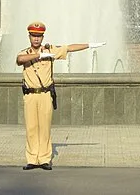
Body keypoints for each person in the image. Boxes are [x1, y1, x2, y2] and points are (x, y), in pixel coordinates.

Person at [15, 21, 105, 170]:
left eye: (39, 36)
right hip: (30, 95)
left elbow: (69, 48)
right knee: (31, 128)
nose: (36, 39)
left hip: (45, 94)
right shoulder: (25, 53)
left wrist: (89, 45)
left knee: (45, 127)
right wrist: (40, 55)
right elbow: (19, 60)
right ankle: (32, 159)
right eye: (33, 36)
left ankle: (44, 159)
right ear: (29, 36)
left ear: (43, 37)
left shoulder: (51, 50)